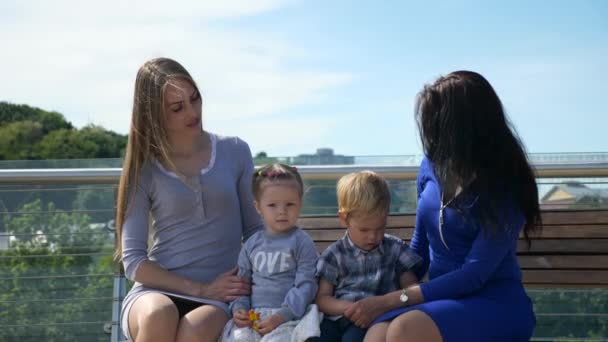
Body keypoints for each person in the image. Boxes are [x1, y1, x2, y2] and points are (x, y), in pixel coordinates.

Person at [365, 71, 540, 342]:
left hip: (495, 303)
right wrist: (382, 285)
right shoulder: (430, 166)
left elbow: (474, 275)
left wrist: (396, 299)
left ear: (463, 126)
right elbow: (420, 247)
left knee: (405, 330)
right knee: (378, 333)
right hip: (438, 300)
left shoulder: (506, 184)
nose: (429, 131)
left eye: (435, 122)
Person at [115, 57, 264, 342]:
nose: (192, 112)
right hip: (155, 292)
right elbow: (133, 261)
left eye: (194, 99)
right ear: (155, 115)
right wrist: (199, 288)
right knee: (158, 315)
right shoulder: (143, 167)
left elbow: (256, 230)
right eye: (177, 108)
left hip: (220, 296)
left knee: (194, 331)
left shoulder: (235, 151)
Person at [311, 171, 422, 342]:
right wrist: (351, 307)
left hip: (373, 320)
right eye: (364, 230)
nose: (373, 237)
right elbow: (322, 298)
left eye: (380, 228)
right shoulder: (335, 254)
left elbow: (412, 287)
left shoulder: (395, 249)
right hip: (338, 316)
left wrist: (387, 304)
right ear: (344, 219)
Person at [221, 163, 321, 342]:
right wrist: (239, 310)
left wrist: (282, 315)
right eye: (272, 205)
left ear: (300, 203)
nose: (282, 211)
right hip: (253, 317)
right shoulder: (251, 244)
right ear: (258, 206)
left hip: (288, 316)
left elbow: (306, 285)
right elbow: (242, 286)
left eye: (290, 204)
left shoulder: (301, 242)